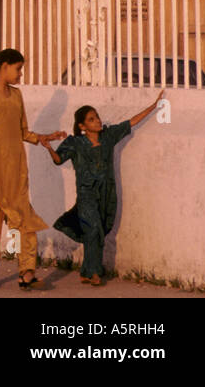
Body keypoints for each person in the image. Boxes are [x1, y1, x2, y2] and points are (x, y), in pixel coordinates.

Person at [0, 48, 65, 290]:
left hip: (17, 169)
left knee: (24, 221)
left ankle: (26, 272)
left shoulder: (17, 96)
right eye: (18, 69)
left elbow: (21, 131)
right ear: (4, 66)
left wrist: (42, 137)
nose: (20, 75)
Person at [41, 92, 163, 287]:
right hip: (86, 195)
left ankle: (86, 271)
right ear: (82, 126)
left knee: (99, 231)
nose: (97, 121)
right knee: (94, 229)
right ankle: (94, 272)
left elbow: (130, 122)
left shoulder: (108, 137)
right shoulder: (76, 143)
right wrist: (48, 147)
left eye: (96, 116)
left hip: (107, 194)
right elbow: (58, 160)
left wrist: (154, 105)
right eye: (91, 119)